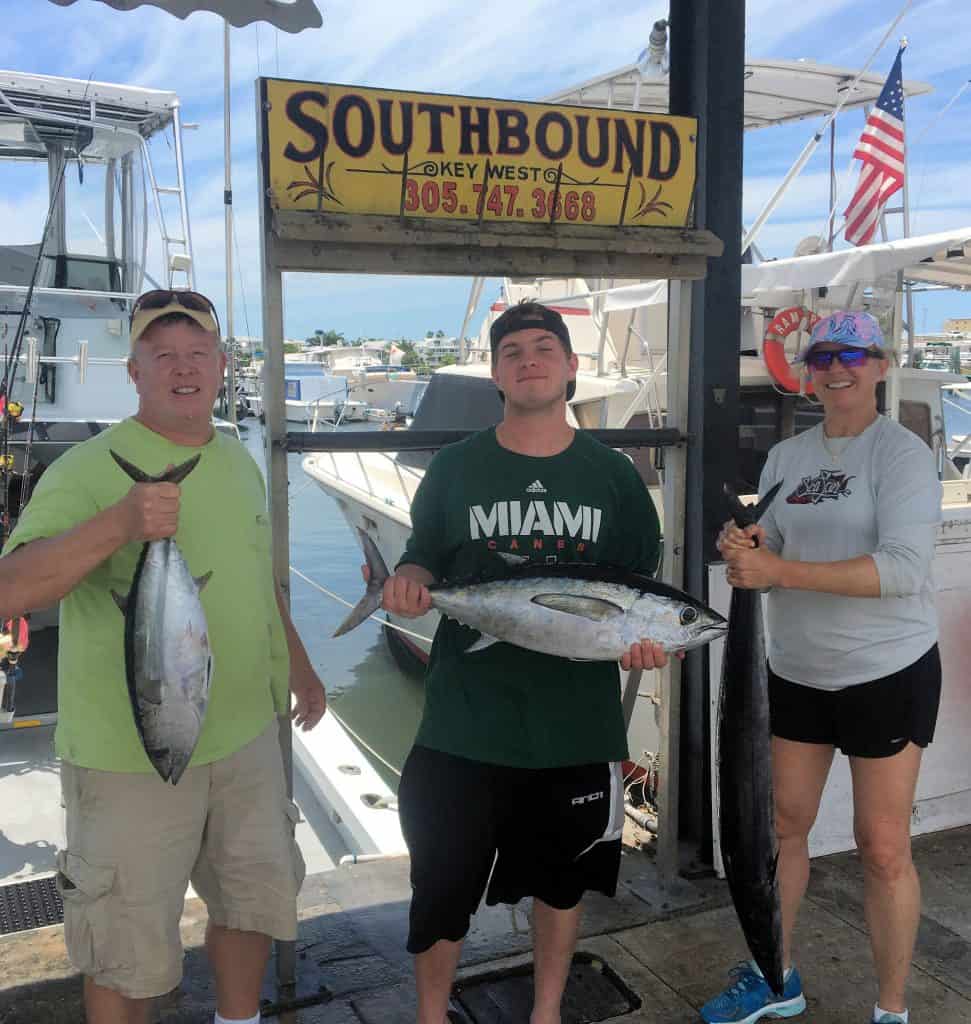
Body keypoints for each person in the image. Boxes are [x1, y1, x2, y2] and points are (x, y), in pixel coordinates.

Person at [0, 289, 326, 1024]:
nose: (184, 369)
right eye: (163, 356)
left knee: (249, 902)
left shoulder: (238, 459)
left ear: (220, 366)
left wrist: (299, 667)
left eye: (197, 354)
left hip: (246, 743)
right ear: (134, 372)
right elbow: (10, 591)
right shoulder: (85, 470)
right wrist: (121, 521)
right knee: (125, 945)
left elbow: (256, 579)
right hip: (130, 760)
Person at [375, 300, 670, 1024]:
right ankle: (430, 1015)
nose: (528, 359)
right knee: (440, 887)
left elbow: (638, 587)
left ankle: (545, 1015)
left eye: (544, 347)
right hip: (462, 726)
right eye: (512, 351)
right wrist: (410, 579)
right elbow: (425, 551)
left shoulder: (613, 476)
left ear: (571, 367)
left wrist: (646, 641)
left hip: (574, 731)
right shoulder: (453, 467)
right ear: (495, 372)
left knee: (561, 886)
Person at [702, 311, 942, 1024]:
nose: (834, 369)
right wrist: (743, 546)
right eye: (819, 358)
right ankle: (774, 976)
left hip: (886, 671)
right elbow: (765, 554)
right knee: (780, 828)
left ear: (878, 364)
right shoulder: (788, 457)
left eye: (850, 355)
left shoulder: (899, 455)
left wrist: (779, 567)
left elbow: (901, 571)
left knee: (882, 846)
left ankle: (891, 1010)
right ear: (804, 372)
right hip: (795, 672)